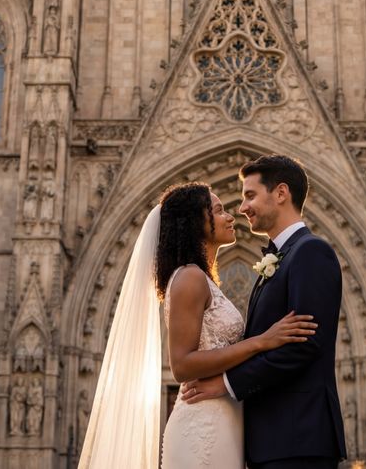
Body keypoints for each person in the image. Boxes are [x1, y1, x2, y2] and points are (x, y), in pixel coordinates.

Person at [78, 181, 316, 468]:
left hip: (222, 418)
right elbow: (181, 365)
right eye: (217, 211)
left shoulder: (200, 278)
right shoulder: (189, 277)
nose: (230, 216)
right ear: (195, 223)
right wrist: (261, 341)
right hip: (202, 424)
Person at [182, 155, 347, 468]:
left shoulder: (311, 252)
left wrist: (226, 384)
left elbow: (304, 345)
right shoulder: (281, 258)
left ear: (281, 193)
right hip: (271, 441)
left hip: (298, 437)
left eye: (250, 195)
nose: (242, 208)